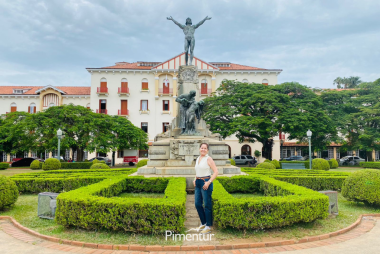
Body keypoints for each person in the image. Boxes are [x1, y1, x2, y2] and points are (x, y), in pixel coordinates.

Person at [193, 143, 219, 234]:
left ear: (207, 150)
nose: (203, 149)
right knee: (197, 204)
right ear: (199, 149)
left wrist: (209, 182)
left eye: (205, 148)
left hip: (206, 182)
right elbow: (198, 171)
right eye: (202, 148)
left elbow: (216, 172)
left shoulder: (209, 159)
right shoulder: (198, 158)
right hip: (198, 182)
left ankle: (208, 225)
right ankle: (203, 222)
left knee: (207, 204)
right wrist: (194, 179)